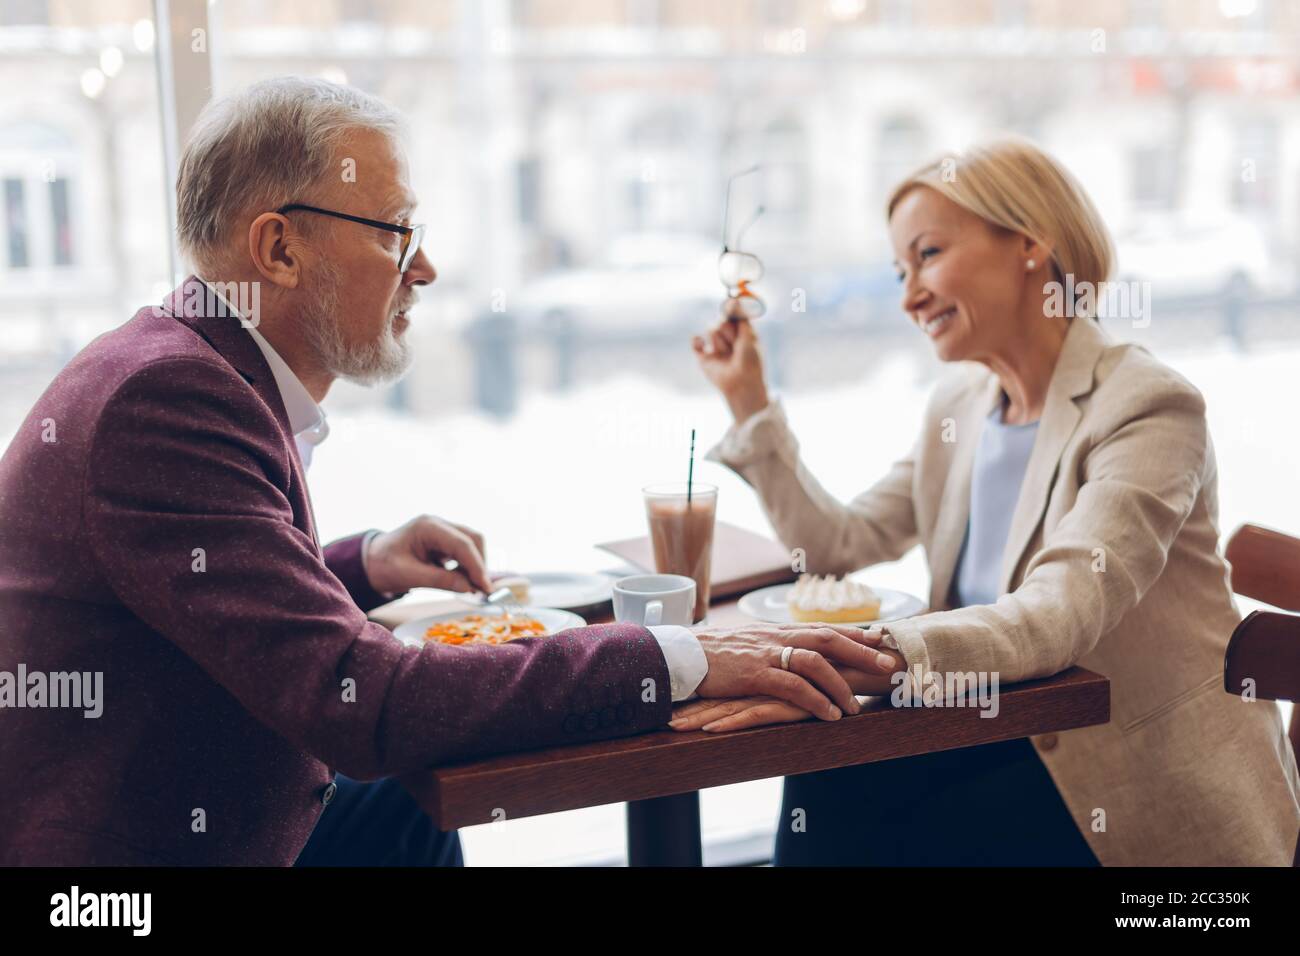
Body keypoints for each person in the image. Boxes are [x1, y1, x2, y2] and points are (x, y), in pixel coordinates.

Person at [0, 77, 897, 867]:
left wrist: (362, 565)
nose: (423, 267)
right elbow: (370, 703)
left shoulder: (177, 365)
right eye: (395, 231)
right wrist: (680, 657)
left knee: (402, 816)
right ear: (277, 249)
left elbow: (207, 589)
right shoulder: (171, 403)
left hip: (217, 816)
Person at [675, 137, 1300, 866]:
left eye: (929, 254)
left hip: (1136, 784)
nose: (909, 295)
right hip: (1002, 742)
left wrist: (865, 660)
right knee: (826, 776)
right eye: (900, 270)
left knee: (864, 809)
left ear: (1030, 242)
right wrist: (750, 402)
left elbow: (1058, 611)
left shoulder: (1148, 407)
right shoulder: (965, 406)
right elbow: (841, 542)